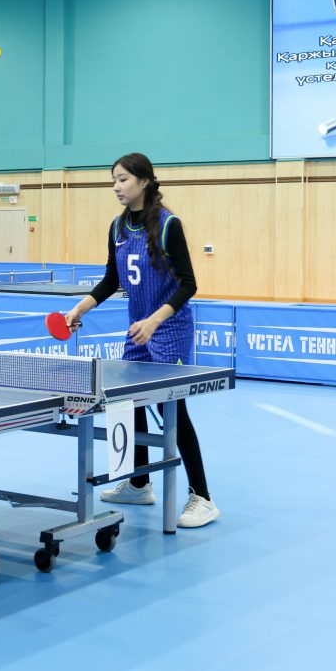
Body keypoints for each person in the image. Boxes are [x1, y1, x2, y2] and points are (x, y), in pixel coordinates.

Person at [62, 153, 218, 528]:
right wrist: (81, 307)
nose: (116, 186)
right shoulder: (117, 228)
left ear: (144, 181)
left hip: (170, 330)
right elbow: (111, 280)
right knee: (130, 402)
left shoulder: (168, 225)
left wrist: (154, 320)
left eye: (123, 179)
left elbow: (189, 284)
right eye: (114, 180)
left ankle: (203, 497)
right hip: (137, 330)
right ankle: (139, 483)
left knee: (172, 410)